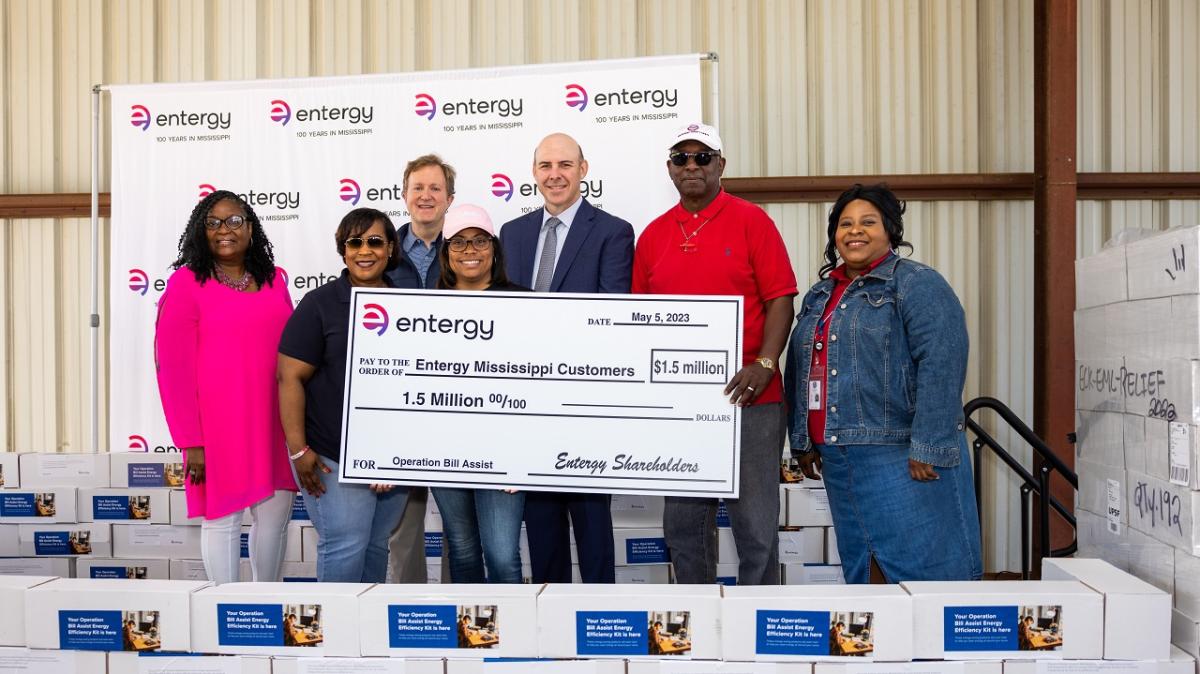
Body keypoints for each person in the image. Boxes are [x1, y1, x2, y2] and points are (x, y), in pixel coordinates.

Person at [785, 183, 983, 584]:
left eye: (868, 222)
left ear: (890, 229)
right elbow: (800, 367)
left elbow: (942, 363)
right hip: (838, 455)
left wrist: (929, 444)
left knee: (924, 571)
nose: (854, 231)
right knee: (865, 572)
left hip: (899, 455)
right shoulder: (820, 295)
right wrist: (802, 438)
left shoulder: (916, 284)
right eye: (845, 224)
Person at [632, 123, 797, 585]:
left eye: (702, 157)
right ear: (669, 168)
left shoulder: (752, 221)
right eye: (681, 158)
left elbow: (781, 297)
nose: (691, 166)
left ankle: (759, 628)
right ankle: (698, 625)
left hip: (751, 398)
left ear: (721, 165)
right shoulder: (653, 236)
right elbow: (640, 320)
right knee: (683, 528)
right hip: (681, 406)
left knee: (755, 524)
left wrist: (765, 363)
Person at [499, 132, 634, 584]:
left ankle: (599, 624)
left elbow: (612, 316)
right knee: (541, 527)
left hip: (585, 403)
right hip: (528, 406)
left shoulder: (614, 232)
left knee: (592, 523)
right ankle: (549, 627)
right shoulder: (512, 234)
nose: (555, 174)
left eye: (565, 165)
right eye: (545, 166)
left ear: (583, 169)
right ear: (534, 173)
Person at [155, 189, 297, 585]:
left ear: (250, 229)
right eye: (213, 222)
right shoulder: (186, 284)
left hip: (274, 421)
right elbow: (173, 370)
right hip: (217, 429)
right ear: (201, 231)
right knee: (222, 520)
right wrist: (191, 442)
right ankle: (225, 613)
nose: (224, 230)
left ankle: (267, 605)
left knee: (273, 520)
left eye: (235, 221)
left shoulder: (273, 281)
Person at [278, 207, 410, 582]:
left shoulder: (412, 305)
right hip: (333, 455)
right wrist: (299, 450)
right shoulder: (319, 305)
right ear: (343, 249)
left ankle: (365, 638)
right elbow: (289, 378)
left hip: (395, 456)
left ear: (390, 249)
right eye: (354, 242)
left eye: (374, 241)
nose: (364, 251)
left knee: (375, 544)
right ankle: (335, 639)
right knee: (346, 543)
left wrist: (394, 458)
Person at [430, 204, 526, 583]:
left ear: (494, 249)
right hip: (444, 447)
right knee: (463, 548)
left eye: (480, 241)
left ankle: (515, 641)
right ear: (446, 252)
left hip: (505, 449)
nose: (470, 250)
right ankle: (473, 641)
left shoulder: (525, 303)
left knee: (502, 555)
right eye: (459, 242)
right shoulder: (425, 308)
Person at [386, 154, 458, 584]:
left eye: (435, 188)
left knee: (461, 529)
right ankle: (409, 620)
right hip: (401, 409)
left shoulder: (470, 250)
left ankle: (458, 616)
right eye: (418, 188)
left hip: (455, 407)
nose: (426, 196)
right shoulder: (382, 253)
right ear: (405, 195)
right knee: (403, 530)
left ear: (450, 198)